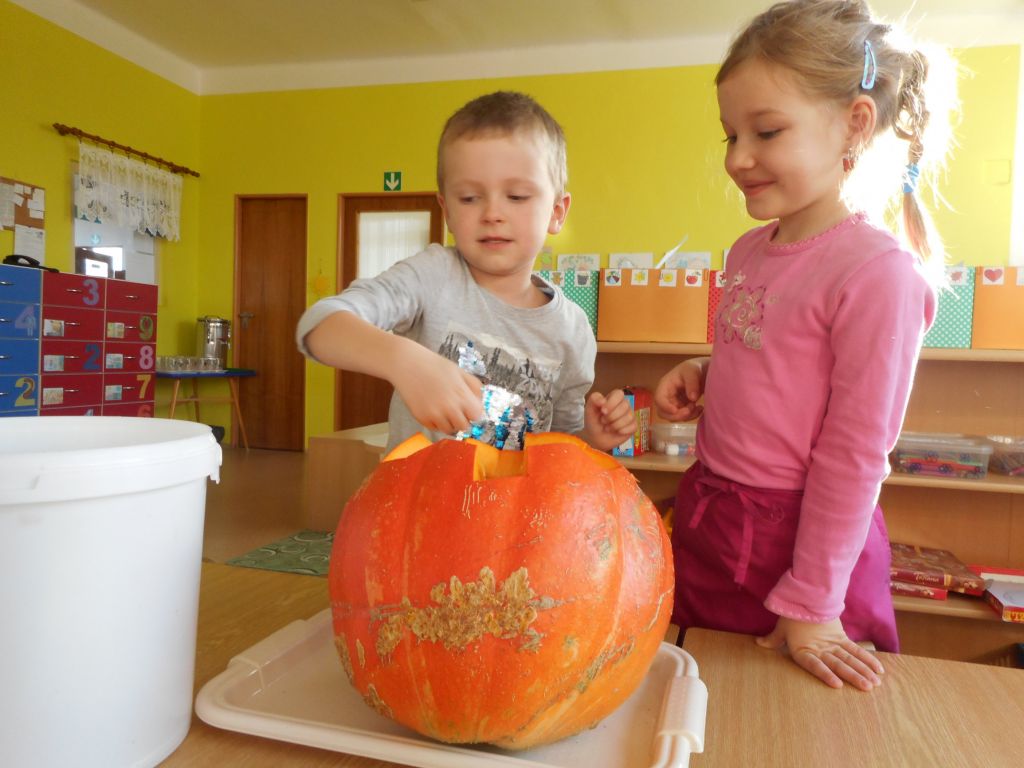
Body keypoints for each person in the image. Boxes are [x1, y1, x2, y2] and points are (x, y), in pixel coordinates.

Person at [655, 0, 955, 691]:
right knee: (702, 699)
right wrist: (707, 370)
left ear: (855, 123)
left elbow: (855, 453)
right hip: (713, 522)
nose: (738, 158)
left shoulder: (878, 273)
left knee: (790, 719)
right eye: (730, 135)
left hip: (805, 551)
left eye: (766, 131)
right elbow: (780, 363)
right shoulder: (746, 250)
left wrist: (814, 605)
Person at [297, 91, 635, 454]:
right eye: (470, 198)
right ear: (446, 211)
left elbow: (559, 447)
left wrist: (592, 440)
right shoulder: (433, 275)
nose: (492, 213)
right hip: (420, 490)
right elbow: (318, 325)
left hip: (520, 494)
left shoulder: (573, 329)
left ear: (556, 212)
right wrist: (405, 361)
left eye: (517, 196)